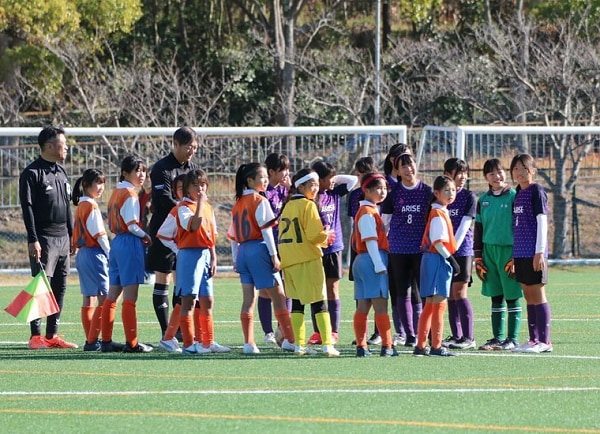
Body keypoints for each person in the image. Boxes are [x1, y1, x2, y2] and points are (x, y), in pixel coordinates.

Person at [227, 163, 297, 354]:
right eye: (262, 177)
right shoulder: (260, 201)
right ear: (250, 180)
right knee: (279, 297)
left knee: (248, 299)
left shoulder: (238, 203)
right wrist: (274, 256)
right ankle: (290, 340)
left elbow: (232, 237)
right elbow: (266, 231)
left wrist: (235, 260)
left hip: (243, 252)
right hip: (259, 250)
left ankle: (249, 343)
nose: (266, 181)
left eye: (267, 177)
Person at [19, 125, 78, 349]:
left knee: (60, 287)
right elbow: (28, 208)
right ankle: (35, 336)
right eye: (63, 145)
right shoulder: (32, 173)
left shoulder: (62, 172)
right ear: (50, 146)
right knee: (40, 285)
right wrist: (33, 238)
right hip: (43, 238)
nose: (66, 149)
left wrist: (73, 235)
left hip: (64, 238)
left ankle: (53, 335)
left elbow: (67, 207)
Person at [159, 170, 230, 355]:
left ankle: (208, 341)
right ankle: (189, 344)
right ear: (187, 189)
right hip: (189, 255)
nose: (200, 189)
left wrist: (213, 257)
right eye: (195, 185)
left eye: (203, 185)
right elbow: (193, 225)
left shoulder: (208, 208)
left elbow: (211, 235)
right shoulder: (183, 207)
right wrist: (199, 203)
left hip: (205, 255)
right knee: (188, 300)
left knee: (207, 300)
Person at [278, 168, 339, 356]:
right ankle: (328, 344)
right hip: (307, 259)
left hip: (289, 261)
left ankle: (299, 345)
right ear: (301, 186)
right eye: (311, 184)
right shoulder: (308, 205)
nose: (315, 188)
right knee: (319, 302)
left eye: (316, 184)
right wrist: (326, 235)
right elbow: (314, 235)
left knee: (297, 303)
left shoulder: (287, 206)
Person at [146, 127, 198, 338]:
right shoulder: (161, 168)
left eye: (194, 147)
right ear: (175, 144)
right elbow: (164, 199)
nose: (191, 151)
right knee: (163, 278)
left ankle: (179, 330)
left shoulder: (193, 168)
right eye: (188, 147)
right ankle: (166, 330)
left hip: (186, 234)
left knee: (183, 281)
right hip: (165, 231)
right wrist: (186, 211)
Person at [100, 156, 153, 353]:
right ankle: (132, 343)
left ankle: (106, 340)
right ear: (125, 172)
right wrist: (145, 234)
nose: (142, 175)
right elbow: (131, 225)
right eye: (137, 170)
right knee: (130, 297)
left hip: (117, 243)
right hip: (129, 243)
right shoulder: (130, 194)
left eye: (143, 171)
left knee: (112, 295)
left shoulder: (115, 192)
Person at [381, 151, 431, 348]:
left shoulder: (427, 191)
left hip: (421, 249)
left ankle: (421, 333)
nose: (408, 169)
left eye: (410, 165)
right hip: (399, 249)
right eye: (403, 166)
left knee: (420, 292)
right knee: (403, 291)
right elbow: (384, 223)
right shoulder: (394, 194)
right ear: (398, 171)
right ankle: (409, 335)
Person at [474, 158, 523, 351]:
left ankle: (512, 338)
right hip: (488, 252)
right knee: (495, 295)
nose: (497, 176)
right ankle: (497, 337)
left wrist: (517, 254)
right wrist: (478, 256)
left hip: (508, 251)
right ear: (486, 177)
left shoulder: (513, 196)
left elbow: (519, 227)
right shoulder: (483, 200)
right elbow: (478, 229)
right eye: (492, 173)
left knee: (512, 295)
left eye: (500, 171)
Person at [306, 161, 357, 346]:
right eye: (328, 178)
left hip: (334, 249)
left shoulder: (334, 193)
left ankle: (333, 331)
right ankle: (319, 332)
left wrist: (333, 178)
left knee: (332, 289)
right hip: (315, 250)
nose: (332, 181)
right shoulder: (311, 197)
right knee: (316, 291)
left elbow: (353, 180)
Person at [509, 154, 552, 353]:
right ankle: (533, 339)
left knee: (537, 293)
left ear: (532, 171)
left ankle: (544, 341)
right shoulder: (517, 193)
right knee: (527, 294)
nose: (519, 172)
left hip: (534, 252)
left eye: (523, 168)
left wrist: (539, 252)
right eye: (515, 169)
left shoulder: (537, 191)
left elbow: (542, 221)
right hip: (520, 252)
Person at [413, 175, 460, 357]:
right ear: (436, 193)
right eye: (447, 190)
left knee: (430, 306)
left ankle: (421, 345)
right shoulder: (438, 214)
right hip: (437, 259)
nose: (451, 194)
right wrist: (452, 260)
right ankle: (436, 346)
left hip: (431, 259)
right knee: (438, 305)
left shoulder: (439, 211)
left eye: (453, 190)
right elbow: (438, 242)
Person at [351, 173, 397, 357]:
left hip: (362, 261)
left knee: (363, 306)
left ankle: (361, 347)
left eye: (385, 188)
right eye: (378, 188)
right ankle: (387, 346)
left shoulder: (369, 210)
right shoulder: (368, 213)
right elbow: (370, 240)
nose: (382, 192)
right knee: (380, 306)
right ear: (366, 190)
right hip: (372, 259)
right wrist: (378, 264)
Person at [71, 169, 110, 351]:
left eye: (102, 183)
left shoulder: (80, 206)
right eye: (98, 183)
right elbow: (100, 236)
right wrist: (111, 255)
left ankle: (91, 338)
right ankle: (94, 340)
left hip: (83, 254)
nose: (101, 187)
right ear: (86, 185)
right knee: (104, 299)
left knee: (89, 298)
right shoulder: (91, 206)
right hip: (94, 253)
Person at [442, 158, 477, 350]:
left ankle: (469, 337)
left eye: (465, 173)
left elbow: (465, 225)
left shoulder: (468, 197)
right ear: (448, 174)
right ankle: (457, 336)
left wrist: (451, 247)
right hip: (443, 251)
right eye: (458, 172)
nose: (463, 177)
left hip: (461, 250)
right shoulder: (440, 197)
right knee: (449, 294)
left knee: (459, 292)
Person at [346, 157, 381, 345]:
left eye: (362, 174)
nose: (358, 178)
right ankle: (362, 336)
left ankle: (378, 333)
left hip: (376, 248)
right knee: (361, 294)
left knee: (378, 294)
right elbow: (355, 222)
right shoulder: (355, 196)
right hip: (360, 247)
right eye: (358, 174)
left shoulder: (380, 190)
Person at [259, 152, 292, 344]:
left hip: (285, 244)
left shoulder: (285, 190)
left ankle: (283, 327)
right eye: (283, 170)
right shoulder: (264, 191)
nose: (287, 173)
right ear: (271, 171)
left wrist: (289, 189)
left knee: (286, 287)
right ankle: (268, 332)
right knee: (266, 289)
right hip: (268, 243)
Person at [382, 144, 412, 346]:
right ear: (394, 161)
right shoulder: (385, 184)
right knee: (394, 289)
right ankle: (397, 331)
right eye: (404, 159)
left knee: (415, 291)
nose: (408, 165)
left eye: (411, 159)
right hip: (392, 245)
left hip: (416, 247)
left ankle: (415, 331)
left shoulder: (418, 187)